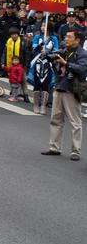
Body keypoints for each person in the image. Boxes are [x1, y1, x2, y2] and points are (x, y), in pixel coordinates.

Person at [41, 30, 87, 161]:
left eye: (69, 37)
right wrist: (49, 56)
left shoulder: (83, 54)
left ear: (77, 40)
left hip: (72, 90)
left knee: (75, 123)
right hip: (59, 87)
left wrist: (66, 63)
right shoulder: (63, 51)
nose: (66, 39)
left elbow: (82, 69)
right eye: (66, 36)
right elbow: (52, 61)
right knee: (55, 120)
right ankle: (54, 148)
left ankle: (75, 151)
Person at [29, 22, 59, 114]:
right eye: (42, 25)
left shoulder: (54, 38)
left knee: (46, 83)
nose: (42, 27)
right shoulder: (37, 37)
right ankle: (36, 105)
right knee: (37, 83)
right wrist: (40, 47)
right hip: (38, 62)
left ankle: (43, 106)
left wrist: (47, 53)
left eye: (44, 26)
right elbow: (33, 48)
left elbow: (56, 51)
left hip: (48, 63)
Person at [0, 27, 29, 103]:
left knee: (23, 80)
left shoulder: (23, 41)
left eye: (15, 34)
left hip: (21, 65)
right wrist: (3, 62)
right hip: (11, 64)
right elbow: (4, 53)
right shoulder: (8, 42)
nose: (14, 36)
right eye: (12, 34)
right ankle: (13, 93)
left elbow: (27, 53)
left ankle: (25, 95)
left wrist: (26, 64)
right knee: (12, 79)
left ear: (18, 34)